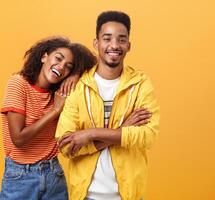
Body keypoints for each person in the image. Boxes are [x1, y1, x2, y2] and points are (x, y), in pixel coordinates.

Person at [56, 11, 160, 200]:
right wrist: (123, 130)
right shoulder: (78, 86)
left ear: (128, 46)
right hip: (84, 195)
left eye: (121, 39)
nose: (114, 45)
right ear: (96, 43)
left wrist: (90, 134)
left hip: (129, 195)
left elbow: (148, 135)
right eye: (107, 38)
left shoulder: (141, 84)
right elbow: (66, 145)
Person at [0, 36, 97, 199]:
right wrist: (55, 110)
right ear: (44, 56)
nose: (61, 67)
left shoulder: (60, 93)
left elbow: (99, 69)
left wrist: (77, 73)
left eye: (68, 66)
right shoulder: (18, 84)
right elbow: (18, 138)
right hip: (20, 177)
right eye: (58, 58)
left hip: (54, 174)